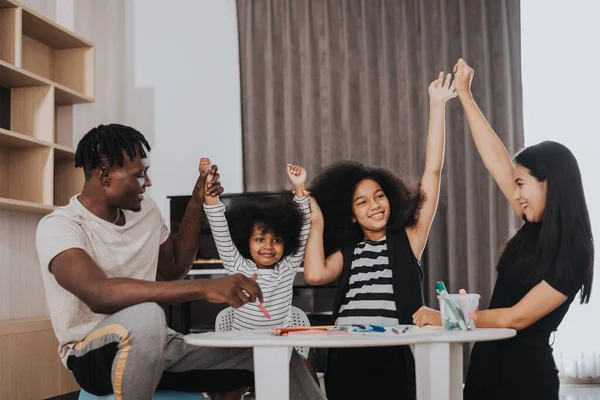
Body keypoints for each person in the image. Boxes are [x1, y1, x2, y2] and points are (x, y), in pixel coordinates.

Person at [35, 124, 326, 400]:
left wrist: (197, 200)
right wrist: (204, 289)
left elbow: (174, 267)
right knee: (147, 315)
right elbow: (99, 294)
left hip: (161, 347)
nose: (148, 182)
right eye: (140, 174)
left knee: (276, 353)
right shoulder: (61, 226)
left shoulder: (144, 210)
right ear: (105, 174)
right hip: (92, 355)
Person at [412, 59, 594, 400]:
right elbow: (497, 161)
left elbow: (518, 318)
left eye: (522, 184)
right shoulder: (535, 226)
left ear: (549, 184)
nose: (515, 194)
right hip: (485, 369)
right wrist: (465, 95)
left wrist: (446, 317)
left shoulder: (574, 249)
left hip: (526, 381)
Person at [304, 72, 457, 399]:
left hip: (393, 352)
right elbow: (315, 274)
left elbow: (432, 171)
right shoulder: (349, 250)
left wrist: (437, 105)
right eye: (362, 201)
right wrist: (316, 221)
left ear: (391, 197)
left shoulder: (409, 239)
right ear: (350, 213)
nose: (373, 205)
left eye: (379, 196)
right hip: (346, 353)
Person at [203, 164, 310, 330]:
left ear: (288, 241)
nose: (268, 246)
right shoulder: (236, 266)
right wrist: (209, 188)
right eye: (260, 239)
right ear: (247, 240)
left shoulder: (288, 268)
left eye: (276, 240)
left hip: (280, 348)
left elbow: (303, 227)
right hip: (242, 350)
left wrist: (299, 185)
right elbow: (219, 227)